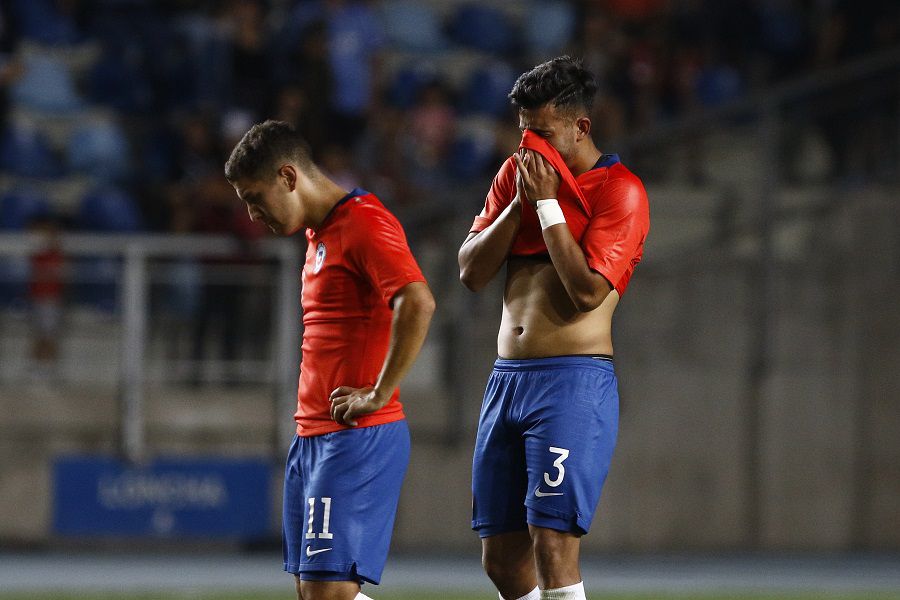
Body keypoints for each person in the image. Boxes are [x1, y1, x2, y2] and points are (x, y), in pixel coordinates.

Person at [458, 56, 650, 600]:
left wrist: (546, 207)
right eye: (524, 133)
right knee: (500, 559)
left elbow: (588, 292)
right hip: (506, 382)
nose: (529, 148)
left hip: (571, 380)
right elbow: (471, 272)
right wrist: (517, 207)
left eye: (542, 133)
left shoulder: (620, 190)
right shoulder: (515, 177)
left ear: (579, 127)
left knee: (552, 543)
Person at [224, 120, 435, 600]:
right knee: (313, 592)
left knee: (328, 592)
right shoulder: (319, 233)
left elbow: (417, 301)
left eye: (255, 198)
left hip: (356, 437)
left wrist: (378, 391)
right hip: (313, 437)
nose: (253, 215)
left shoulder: (364, 220)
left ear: (288, 177)